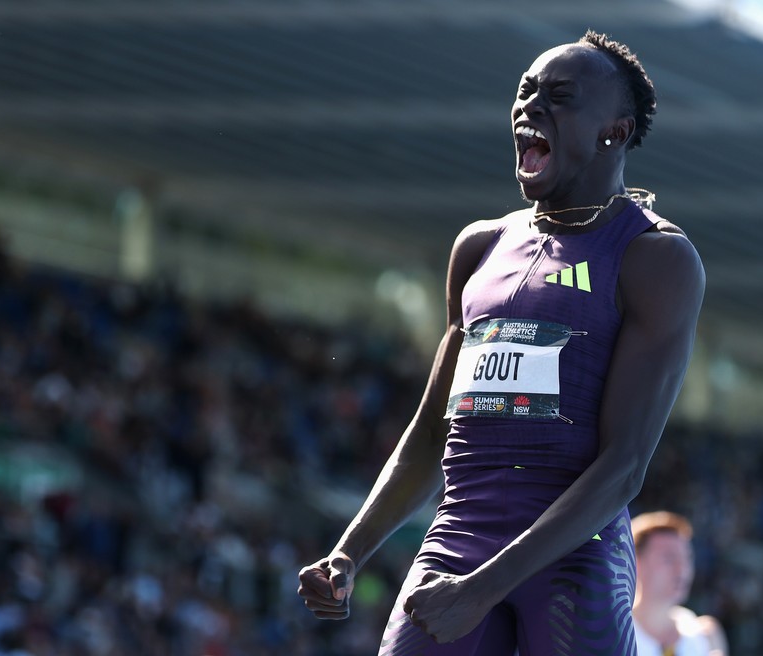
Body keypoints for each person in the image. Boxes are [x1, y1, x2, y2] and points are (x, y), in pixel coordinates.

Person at [298, 30, 705, 655]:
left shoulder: (656, 258)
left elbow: (623, 469)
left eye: (559, 97)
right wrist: (348, 553)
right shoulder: (479, 248)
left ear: (615, 132)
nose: (530, 108)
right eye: (525, 93)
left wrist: (484, 589)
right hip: (459, 538)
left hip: (576, 559)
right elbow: (431, 434)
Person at [631, 512, 728, 656]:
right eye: (669, 558)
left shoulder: (706, 635)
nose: (682, 569)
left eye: (687, 558)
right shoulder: (612, 635)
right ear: (634, 562)